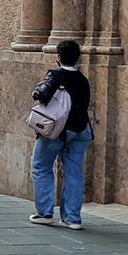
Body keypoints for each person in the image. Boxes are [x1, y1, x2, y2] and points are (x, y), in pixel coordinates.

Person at [30, 40, 93, 230]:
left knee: (41, 166)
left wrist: (38, 91)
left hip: (56, 132)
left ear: (58, 57)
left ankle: (45, 213)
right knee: (74, 173)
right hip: (80, 131)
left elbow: (42, 94)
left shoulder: (56, 75)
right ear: (77, 58)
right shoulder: (83, 80)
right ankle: (72, 218)